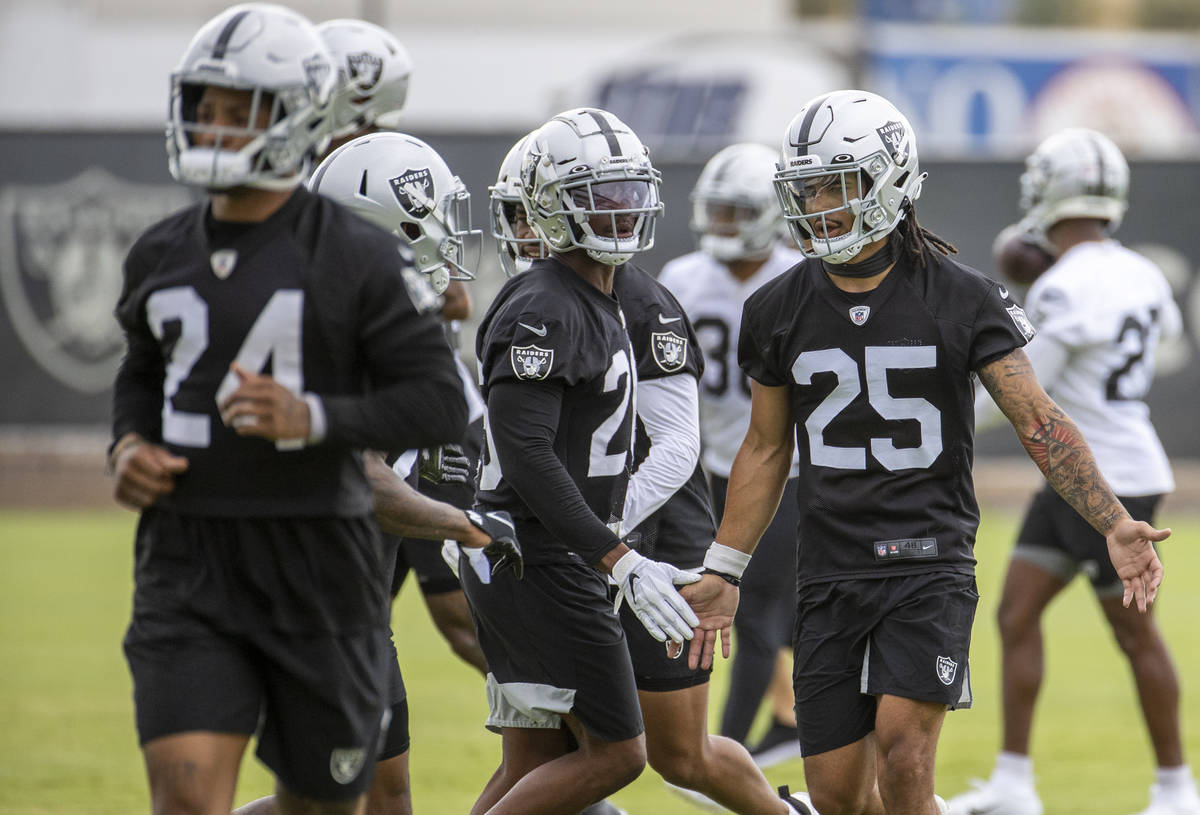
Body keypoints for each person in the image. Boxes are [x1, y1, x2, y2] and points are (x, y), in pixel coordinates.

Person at [679, 90, 1169, 815]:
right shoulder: (776, 306)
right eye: (808, 185)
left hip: (927, 561)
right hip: (829, 565)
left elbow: (1039, 419)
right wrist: (725, 566)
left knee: (906, 759)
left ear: (888, 182)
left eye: (835, 184)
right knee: (839, 795)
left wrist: (1113, 520)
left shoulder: (964, 297)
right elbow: (764, 445)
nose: (817, 203)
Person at [109, 5, 469, 814]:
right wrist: (127, 442)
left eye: (241, 109)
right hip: (187, 562)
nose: (215, 125)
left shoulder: (355, 254)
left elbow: (437, 401)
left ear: (302, 113)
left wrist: (314, 418)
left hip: (318, 567)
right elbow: (141, 367)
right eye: (205, 105)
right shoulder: (161, 250)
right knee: (188, 798)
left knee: (324, 805)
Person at [487, 135, 816, 815]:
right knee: (536, 755)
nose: (523, 233)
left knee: (677, 752)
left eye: (530, 213)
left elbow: (675, 447)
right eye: (514, 214)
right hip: (567, 536)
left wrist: (609, 539)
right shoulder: (542, 302)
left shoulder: (645, 299)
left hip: (649, 527)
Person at [948, 129, 1198, 815]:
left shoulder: (1063, 284)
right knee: (1016, 610)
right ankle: (1014, 782)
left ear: (1049, 192)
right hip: (1097, 466)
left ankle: (1178, 790)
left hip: (1104, 478)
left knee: (1132, 631)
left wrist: (948, 417)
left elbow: (1026, 394)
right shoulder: (1142, 271)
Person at [462, 108, 704, 815]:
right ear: (551, 204)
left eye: (628, 191)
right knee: (619, 752)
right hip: (539, 560)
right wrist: (617, 555)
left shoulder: (599, 295)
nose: (620, 209)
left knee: (535, 762)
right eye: (597, 193)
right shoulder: (544, 303)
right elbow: (526, 452)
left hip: (542, 555)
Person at [658, 142, 806, 767]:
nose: (724, 225)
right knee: (740, 605)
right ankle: (783, 722)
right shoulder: (683, 278)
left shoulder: (800, 276)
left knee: (754, 608)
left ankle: (729, 752)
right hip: (701, 463)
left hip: (783, 466)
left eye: (736, 212)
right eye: (717, 212)